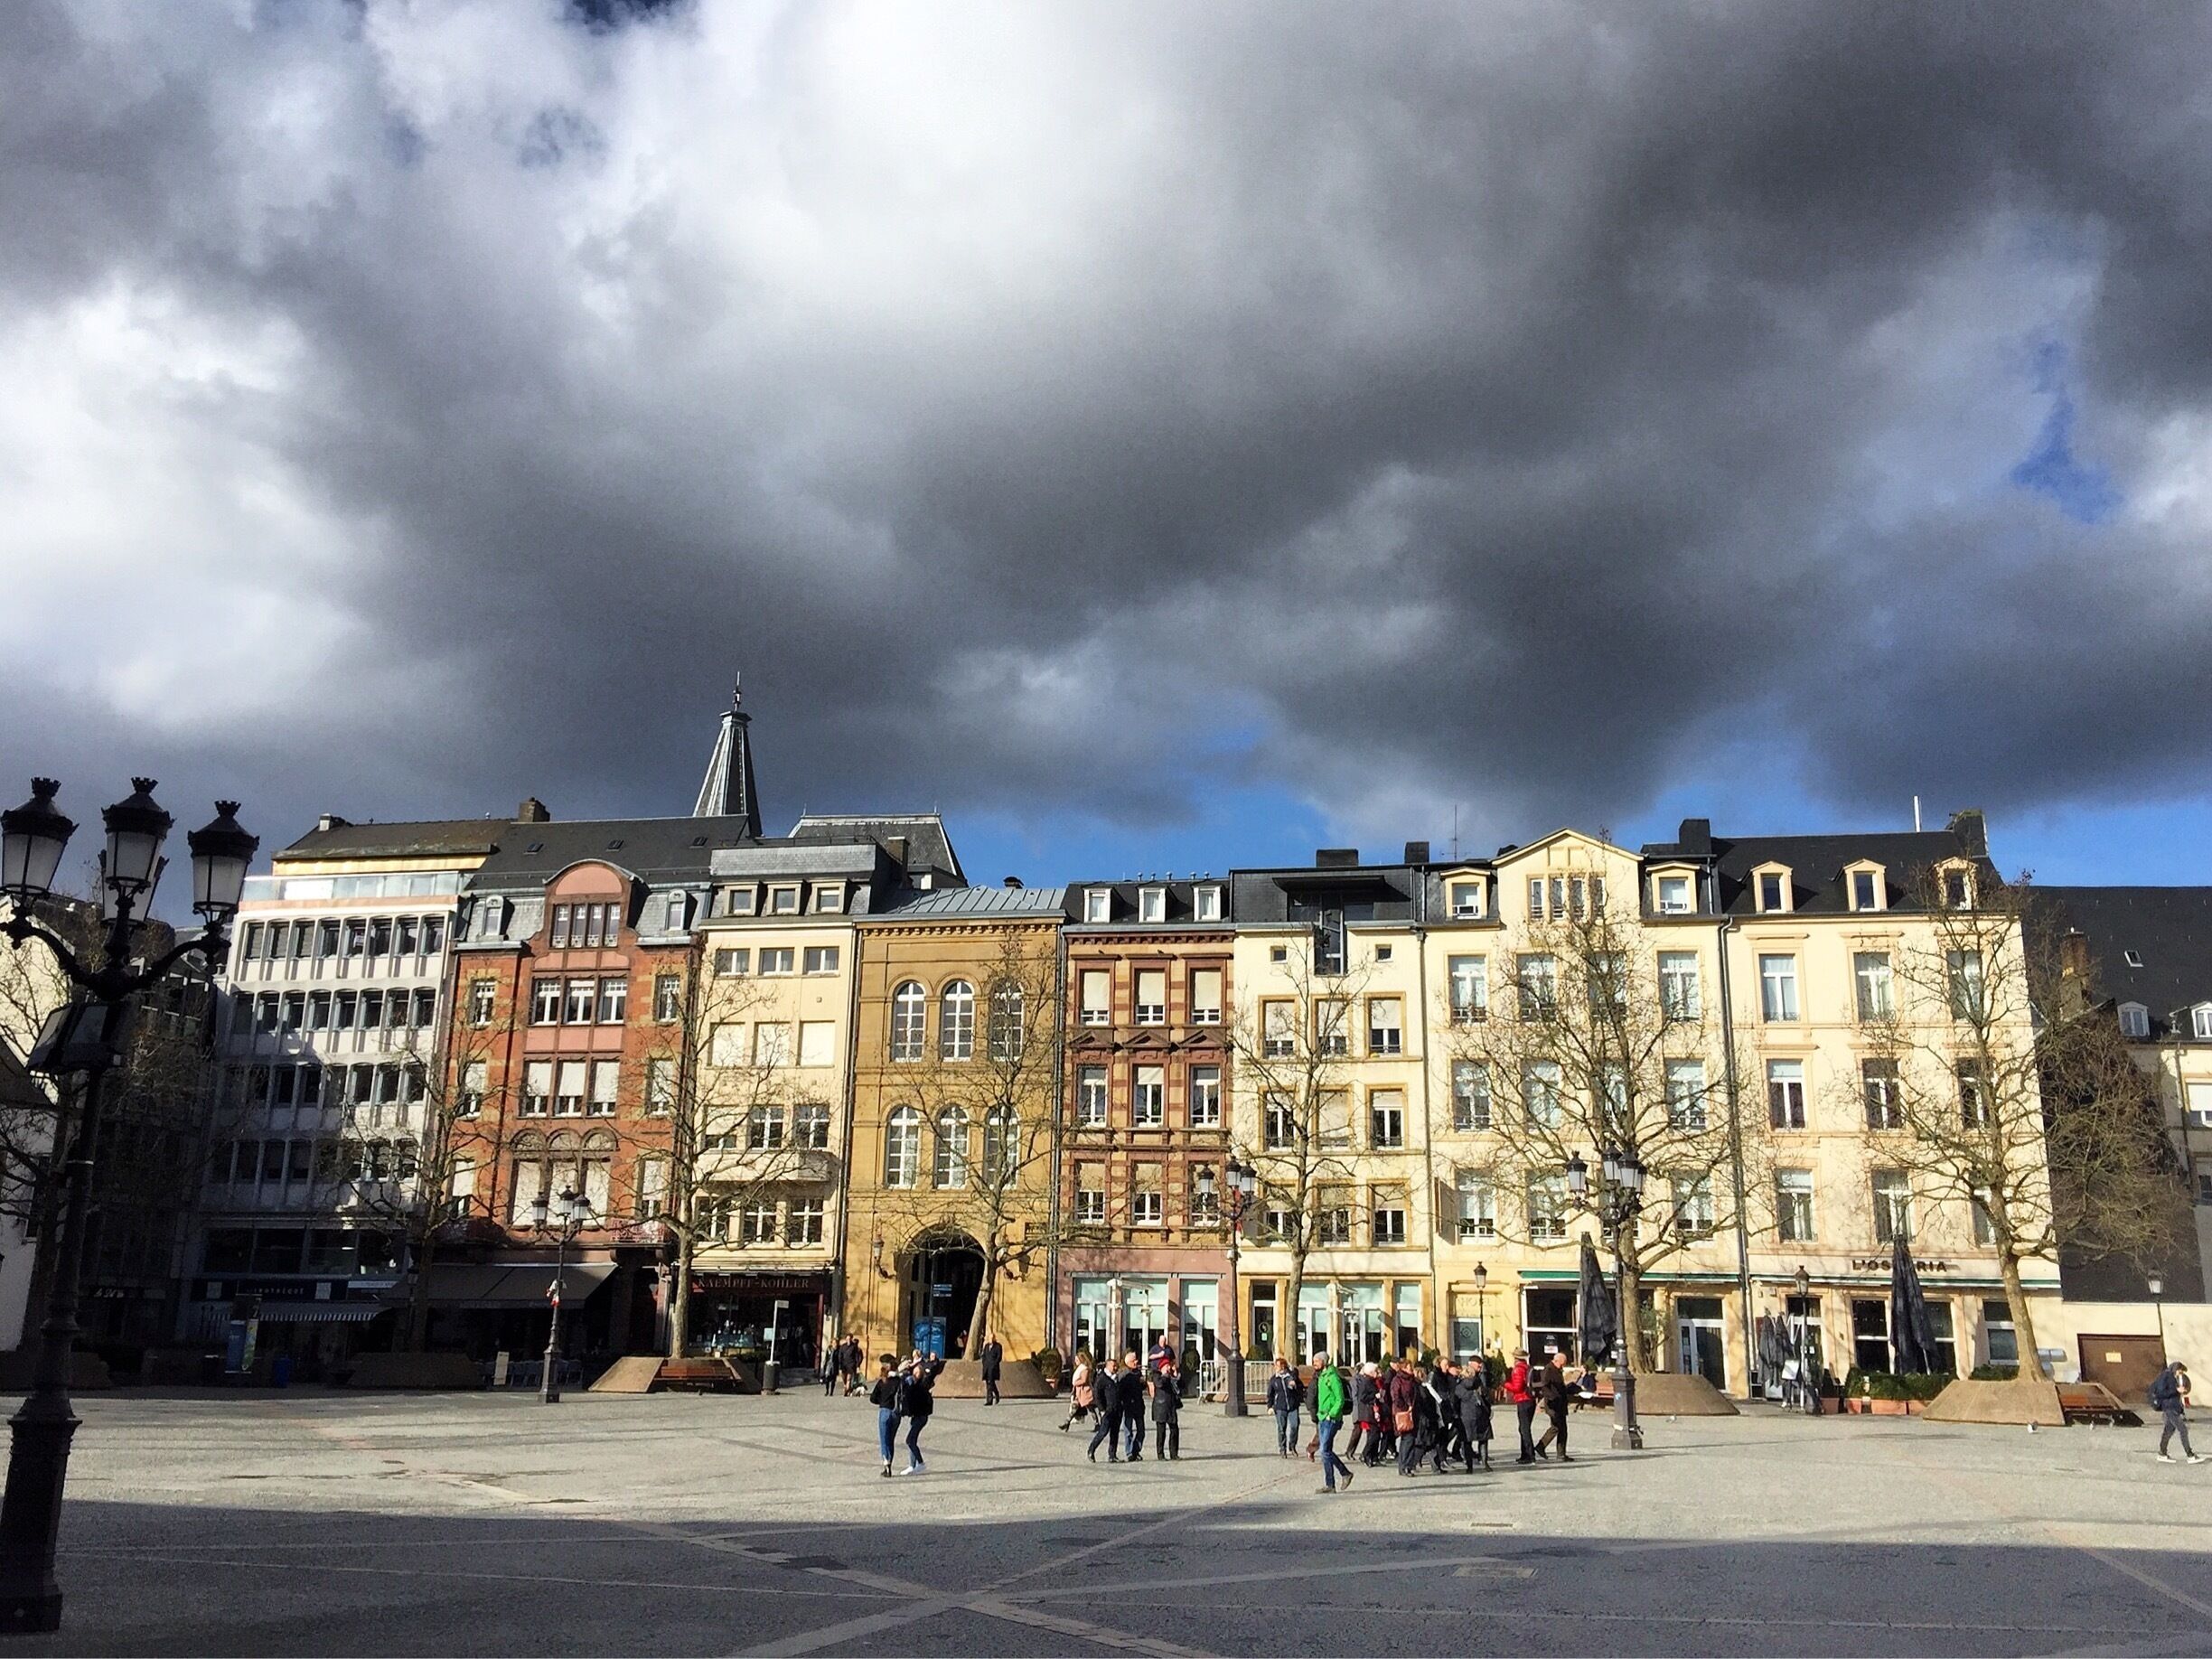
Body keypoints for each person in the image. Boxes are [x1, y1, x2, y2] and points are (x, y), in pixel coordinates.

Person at [1311, 1349, 1354, 1494]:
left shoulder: (1332, 1377)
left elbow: (1339, 1398)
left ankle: (1344, 1473)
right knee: (1326, 1451)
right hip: (1322, 1417)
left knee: (1324, 1451)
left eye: (1316, 1361)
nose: (1314, 1364)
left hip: (1331, 1418)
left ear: (1323, 1361)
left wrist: (1332, 1414)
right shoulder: (1321, 1376)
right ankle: (1330, 1484)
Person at [897, 1350, 944, 1475]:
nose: (914, 1374)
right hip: (918, 1416)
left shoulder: (919, 1386)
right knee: (912, 1440)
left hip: (921, 1417)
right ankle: (912, 1465)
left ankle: (920, 1463)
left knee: (910, 1440)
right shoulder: (916, 1384)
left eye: (916, 1373)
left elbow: (909, 1389)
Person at [2151, 1361, 2204, 1464]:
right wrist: (2177, 1390)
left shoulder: (2176, 1378)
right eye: (2180, 1371)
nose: (2181, 1374)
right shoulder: (2166, 1377)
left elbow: (2183, 1389)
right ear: (2176, 1369)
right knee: (2183, 1430)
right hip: (2169, 1407)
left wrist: (2183, 1391)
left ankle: (2162, 1453)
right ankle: (2190, 1455)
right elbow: (2162, 1392)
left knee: (2168, 1431)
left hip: (2174, 1407)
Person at [868, 1353, 904, 1478]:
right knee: (891, 1440)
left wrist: (882, 1401)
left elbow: (872, 1399)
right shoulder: (899, 1381)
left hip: (884, 1411)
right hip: (896, 1413)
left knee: (884, 1440)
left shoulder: (882, 1382)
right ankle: (890, 1464)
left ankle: (886, 1465)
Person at [1392, 1356, 1426, 1477]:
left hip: (1414, 1413)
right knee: (1408, 1439)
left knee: (1410, 1440)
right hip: (1404, 1413)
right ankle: (1405, 1466)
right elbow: (1396, 1397)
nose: (1412, 1369)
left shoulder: (1413, 1380)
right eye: (1409, 1367)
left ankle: (1407, 1466)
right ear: (1404, 1368)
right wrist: (1407, 1407)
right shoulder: (1398, 1380)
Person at [1534, 1353, 1571, 1462]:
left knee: (1562, 1429)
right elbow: (1544, 1386)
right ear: (1556, 1361)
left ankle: (1561, 1454)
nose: (1563, 1366)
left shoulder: (1557, 1370)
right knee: (1556, 1427)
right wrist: (1551, 1397)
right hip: (1553, 1404)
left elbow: (1559, 1386)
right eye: (1562, 1364)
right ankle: (1541, 1446)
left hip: (1560, 1403)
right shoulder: (1548, 1370)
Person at [1458, 1359, 1495, 1472]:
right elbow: (1486, 1397)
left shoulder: (1459, 1386)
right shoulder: (1478, 1383)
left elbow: (1456, 1400)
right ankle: (1485, 1463)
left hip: (1466, 1416)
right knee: (1483, 1440)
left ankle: (1469, 1466)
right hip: (1481, 1414)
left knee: (1467, 1441)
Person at [1088, 1356, 1124, 1462]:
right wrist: (1102, 1409)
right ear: (1108, 1366)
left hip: (1117, 1409)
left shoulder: (1116, 1378)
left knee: (1115, 1433)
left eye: (1116, 1366)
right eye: (1114, 1366)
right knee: (1103, 1432)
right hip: (1107, 1411)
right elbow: (1097, 1395)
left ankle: (1112, 1455)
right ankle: (1091, 1449)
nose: (1116, 1368)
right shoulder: (1102, 1379)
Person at [1266, 1357, 1304, 1457]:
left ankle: (1292, 1445)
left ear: (1283, 1366)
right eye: (1275, 1365)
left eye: (1277, 1365)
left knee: (1294, 1426)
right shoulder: (1274, 1379)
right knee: (1281, 1429)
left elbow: (1301, 1387)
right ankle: (1282, 1449)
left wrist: (1295, 1386)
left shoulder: (1291, 1376)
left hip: (1292, 1405)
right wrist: (1270, 1406)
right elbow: (1270, 1394)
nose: (1276, 1367)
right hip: (1280, 1407)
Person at [1117, 1351, 1149, 1461]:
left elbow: (1141, 1388)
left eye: (1136, 1360)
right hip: (1128, 1406)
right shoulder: (1123, 1374)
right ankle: (1129, 1452)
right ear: (1128, 1362)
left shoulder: (1138, 1373)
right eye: (1134, 1360)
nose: (1137, 1362)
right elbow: (1119, 1391)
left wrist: (1143, 1384)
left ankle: (1136, 1450)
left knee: (1141, 1431)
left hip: (1139, 1405)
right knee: (1128, 1431)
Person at [1506, 1349, 1537, 1464]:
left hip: (1523, 1399)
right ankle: (1525, 1454)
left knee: (1524, 1429)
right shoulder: (1527, 1367)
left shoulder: (1518, 1369)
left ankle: (1529, 1455)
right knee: (1524, 1428)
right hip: (1531, 1400)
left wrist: (1506, 1384)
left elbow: (1517, 1387)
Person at [1347, 1362, 1379, 1466]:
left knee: (1373, 1434)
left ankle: (1369, 1457)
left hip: (1371, 1411)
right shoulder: (1365, 1382)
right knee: (1373, 1434)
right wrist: (1375, 1396)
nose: (1377, 1373)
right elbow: (1361, 1397)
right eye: (1375, 1371)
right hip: (1366, 1412)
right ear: (1370, 1372)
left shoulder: (1370, 1381)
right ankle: (1364, 1454)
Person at [1151, 1360, 1183, 1460]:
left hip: (1171, 1407)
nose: (1169, 1368)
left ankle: (1174, 1453)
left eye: (1169, 1366)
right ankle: (1160, 1454)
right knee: (1161, 1432)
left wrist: (1176, 1376)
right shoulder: (1157, 1375)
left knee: (1175, 1430)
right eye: (1167, 1366)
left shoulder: (1171, 1377)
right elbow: (1160, 1384)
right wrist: (1165, 1375)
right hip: (1160, 1407)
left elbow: (1182, 1387)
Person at [1061, 1350, 1095, 1432]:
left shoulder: (1084, 1369)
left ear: (1081, 1360)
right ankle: (1067, 1423)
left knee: (1090, 1408)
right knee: (1074, 1407)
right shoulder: (1080, 1369)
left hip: (1084, 1392)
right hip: (1078, 1392)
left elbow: (1084, 1380)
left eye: (1077, 1360)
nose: (1075, 1362)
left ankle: (1097, 1424)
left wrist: (1076, 1383)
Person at [979, 1331, 1004, 1407]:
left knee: (991, 1382)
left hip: (993, 1367)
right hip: (986, 1367)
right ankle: (992, 1397)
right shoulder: (986, 1346)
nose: (991, 1339)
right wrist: (984, 1362)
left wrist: (994, 1364)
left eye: (992, 1338)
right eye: (989, 1338)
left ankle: (991, 1399)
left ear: (994, 1338)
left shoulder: (998, 1346)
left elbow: (999, 1357)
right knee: (988, 1383)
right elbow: (984, 1355)